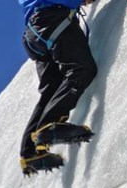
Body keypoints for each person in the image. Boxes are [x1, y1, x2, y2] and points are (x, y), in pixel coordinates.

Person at [18, 0, 98, 176]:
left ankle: (31, 153)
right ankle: (49, 125)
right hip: (52, 19)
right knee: (81, 68)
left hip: (35, 32)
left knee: (51, 90)